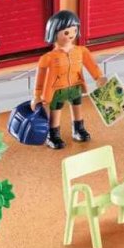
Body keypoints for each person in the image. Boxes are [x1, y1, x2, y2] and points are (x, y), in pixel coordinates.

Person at [31, 10, 107, 150]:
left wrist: (98, 77)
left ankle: (78, 129)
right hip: (57, 90)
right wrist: (37, 95)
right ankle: (53, 135)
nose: (71, 35)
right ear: (54, 33)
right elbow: (40, 77)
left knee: (77, 107)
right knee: (56, 111)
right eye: (66, 32)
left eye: (74, 30)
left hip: (75, 86)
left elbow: (92, 65)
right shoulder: (48, 58)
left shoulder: (81, 51)